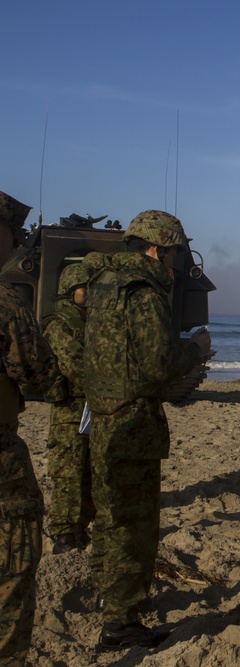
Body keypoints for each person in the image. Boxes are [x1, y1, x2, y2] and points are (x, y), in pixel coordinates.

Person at [82, 210, 212, 648]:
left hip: (101, 417)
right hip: (133, 422)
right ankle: (121, 622)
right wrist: (193, 350)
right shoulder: (145, 290)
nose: (175, 262)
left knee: (110, 517)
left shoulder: (103, 283)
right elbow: (158, 362)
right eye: (175, 252)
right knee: (134, 527)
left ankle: (110, 602)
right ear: (158, 249)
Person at [0, 190, 59, 664]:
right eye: (15, 235)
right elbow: (39, 376)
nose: (19, 247)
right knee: (14, 562)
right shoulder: (6, 305)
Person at [44, 262, 95, 552]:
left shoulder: (93, 321)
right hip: (69, 410)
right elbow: (76, 363)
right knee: (68, 475)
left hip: (91, 408)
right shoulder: (59, 324)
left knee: (89, 473)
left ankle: (80, 530)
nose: (89, 293)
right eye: (83, 288)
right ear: (69, 291)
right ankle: (64, 533)